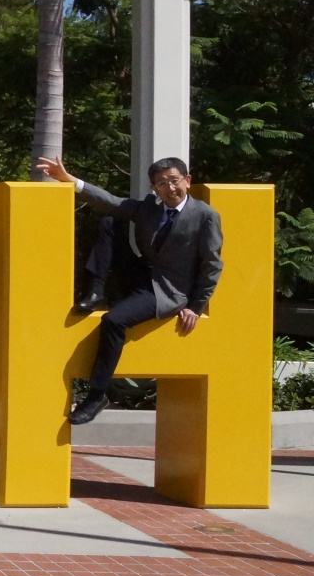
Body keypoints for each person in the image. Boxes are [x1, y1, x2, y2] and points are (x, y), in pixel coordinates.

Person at [37, 155, 224, 424]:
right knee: (110, 221)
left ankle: (97, 393)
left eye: (175, 181)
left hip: (168, 291)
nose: (170, 189)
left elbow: (212, 264)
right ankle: (96, 291)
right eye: (162, 184)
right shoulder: (149, 209)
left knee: (113, 321)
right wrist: (70, 180)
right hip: (142, 276)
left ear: (188, 180)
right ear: (154, 189)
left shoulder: (205, 216)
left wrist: (196, 305)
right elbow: (111, 202)